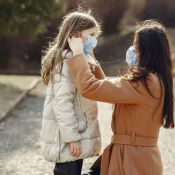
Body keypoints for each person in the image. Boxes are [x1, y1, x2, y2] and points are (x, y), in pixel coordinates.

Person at [66, 20, 174, 175]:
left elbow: (91, 88)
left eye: (137, 44)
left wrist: (78, 55)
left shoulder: (145, 81)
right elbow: (109, 90)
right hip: (134, 158)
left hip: (132, 161)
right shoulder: (155, 79)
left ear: (147, 50)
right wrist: (91, 61)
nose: (133, 48)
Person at [40, 11, 105, 175]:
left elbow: (101, 85)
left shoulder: (80, 58)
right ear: (76, 35)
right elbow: (62, 104)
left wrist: (88, 55)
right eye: (91, 34)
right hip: (69, 137)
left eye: (95, 35)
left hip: (78, 132)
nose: (94, 39)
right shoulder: (68, 62)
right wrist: (72, 138)